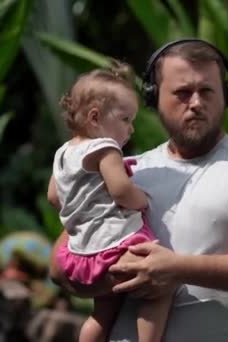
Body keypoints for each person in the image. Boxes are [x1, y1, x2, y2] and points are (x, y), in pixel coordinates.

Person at [50, 39, 228, 341]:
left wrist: (179, 269)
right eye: (183, 93)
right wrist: (124, 275)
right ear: (154, 98)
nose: (196, 102)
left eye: (207, 91)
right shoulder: (126, 170)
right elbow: (59, 267)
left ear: (226, 96)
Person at [46, 62, 172, 342]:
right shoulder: (104, 148)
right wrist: (143, 200)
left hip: (80, 252)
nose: (132, 129)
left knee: (102, 313)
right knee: (160, 287)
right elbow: (120, 191)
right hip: (114, 245)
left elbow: (54, 196)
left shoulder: (64, 153)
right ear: (95, 118)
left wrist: (83, 213)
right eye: (126, 119)